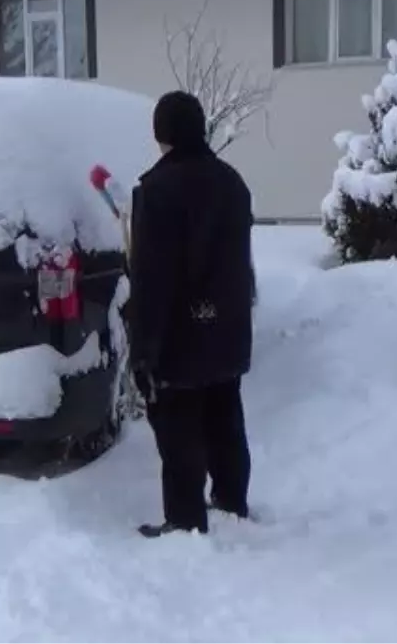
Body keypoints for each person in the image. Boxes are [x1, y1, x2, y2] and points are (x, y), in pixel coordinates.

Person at [128, 90, 255, 538]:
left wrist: (144, 350)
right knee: (224, 416)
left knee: (178, 427)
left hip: (181, 335)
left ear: (163, 134)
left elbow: (152, 278)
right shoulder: (234, 183)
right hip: (229, 328)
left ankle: (184, 522)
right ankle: (231, 499)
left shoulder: (157, 191)